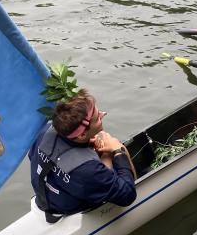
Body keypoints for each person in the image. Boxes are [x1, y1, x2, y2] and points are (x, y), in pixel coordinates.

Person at [29, 89, 136, 218]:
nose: (102, 114)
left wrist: (85, 145)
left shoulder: (45, 132)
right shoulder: (88, 171)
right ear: (82, 134)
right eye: (97, 118)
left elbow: (32, 156)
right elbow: (128, 196)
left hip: (45, 198)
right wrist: (118, 151)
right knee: (118, 152)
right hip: (70, 211)